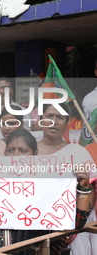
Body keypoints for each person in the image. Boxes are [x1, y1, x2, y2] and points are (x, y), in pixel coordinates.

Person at [37, 103, 95, 255]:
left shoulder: (78, 153)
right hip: (34, 226)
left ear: (68, 122)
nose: (54, 121)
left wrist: (73, 225)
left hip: (71, 229)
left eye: (60, 117)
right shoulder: (28, 151)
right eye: (49, 116)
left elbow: (90, 194)